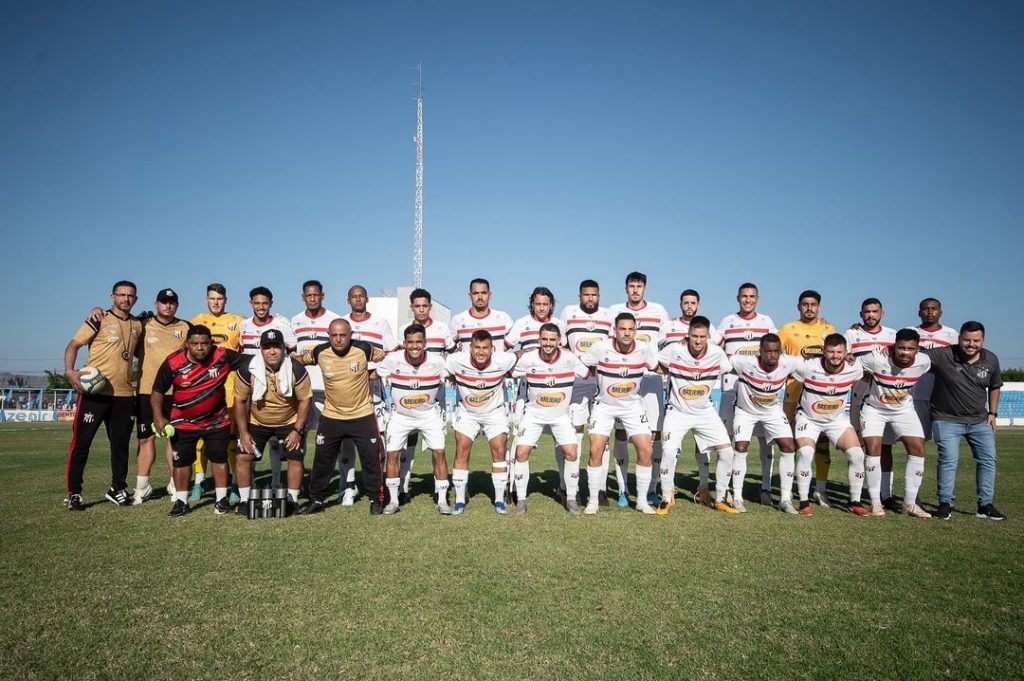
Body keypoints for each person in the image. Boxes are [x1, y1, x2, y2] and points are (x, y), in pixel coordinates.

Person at [151, 325, 248, 516]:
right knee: (181, 462)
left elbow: (251, 362)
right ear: (187, 344)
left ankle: (221, 501)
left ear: (211, 343)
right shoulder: (173, 362)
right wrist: (158, 417)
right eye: (195, 344)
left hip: (217, 420)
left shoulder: (222, 356)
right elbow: (157, 392)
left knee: (219, 458)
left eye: (205, 343)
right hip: (183, 422)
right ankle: (181, 501)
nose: (200, 348)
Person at [63, 281, 143, 510]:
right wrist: (70, 371)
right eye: (121, 295)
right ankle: (74, 493)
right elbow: (73, 345)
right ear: (112, 297)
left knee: (120, 446)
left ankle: (117, 488)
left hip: (124, 395)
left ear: (135, 300)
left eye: (130, 296)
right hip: (95, 394)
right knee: (81, 444)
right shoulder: (98, 318)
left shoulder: (138, 324)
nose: (126, 299)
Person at [298, 319, 389, 515]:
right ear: (328, 335)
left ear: (350, 335)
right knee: (322, 459)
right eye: (334, 335)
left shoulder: (364, 349)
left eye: (343, 335)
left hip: (362, 414)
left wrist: (370, 374)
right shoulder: (318, 352)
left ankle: (377, 499)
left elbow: (388, 360)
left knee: (372, 458)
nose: (338, 339)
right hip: (332, 415)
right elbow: (297, 360)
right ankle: (316, 500)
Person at [656, 316, 738, 515]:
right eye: (694, 336)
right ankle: (667, 498)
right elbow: (656, 361)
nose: (698, 341)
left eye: (702, 337)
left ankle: (720, 498)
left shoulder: (717, 354)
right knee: (668, 452)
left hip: (704, 412)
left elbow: (729, 368)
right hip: (677, 411)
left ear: (708, 336)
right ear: (688, 335)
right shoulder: (674, 350)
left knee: (727, 452)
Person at [581, 312, 661, 515]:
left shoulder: (644, 350)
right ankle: (593, 501)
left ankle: (642, 501)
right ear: (614, 330)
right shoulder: (600, 348)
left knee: (646, 449)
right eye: (622, 329)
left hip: (632, 405)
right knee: (595, 449)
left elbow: (657, 367)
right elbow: (583, 364)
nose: (626, 333)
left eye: (630, 329)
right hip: (604, 406)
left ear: (635, 330)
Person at [926, 321, 1005, 520]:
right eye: (966, 340)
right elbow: (913, 352)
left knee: (988, 461)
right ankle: (945, 504)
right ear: (959, 338)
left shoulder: (991, 359)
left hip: (980, 420)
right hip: (946, 419)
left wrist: (993, 413)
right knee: (948, 461)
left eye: (976, 340)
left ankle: (985, 505)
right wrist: (890, 348)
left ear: (983, 340)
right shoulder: (943, 354)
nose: (971, 344)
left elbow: (995, 386)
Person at [510, 323, 589, 515]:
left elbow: (587, 373)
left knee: (571, 452)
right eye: (544, 339)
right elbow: (509, 371)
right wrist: (520, 352)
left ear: (559, 341)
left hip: (560, 415)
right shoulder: (528, 359)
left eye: (552, 340)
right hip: (534, 414)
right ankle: (520, 499)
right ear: (539, 340)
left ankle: (570, 498)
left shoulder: (570, 359)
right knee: (521, 453)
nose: (548, 343)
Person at [233, 329, 313, 514]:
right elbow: (240, 401)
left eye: (276, 347)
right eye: (267, 347)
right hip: (258, 421)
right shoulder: (247, 369)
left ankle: (292, 500)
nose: (272, 351)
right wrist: (243, 433)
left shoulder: (296, 368)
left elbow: (305, 400)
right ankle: (245, 501)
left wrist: (297, 430)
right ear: (261, 349)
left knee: (295, 456)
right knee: (243, 456)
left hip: (288, 421)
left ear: (283, 348)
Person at [376, 323, 452, 515]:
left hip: (429, 415)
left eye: (419, 342)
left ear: (425, 343)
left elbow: (458, 375)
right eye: (410, 342)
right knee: (392, 455)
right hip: (401, 416)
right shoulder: (393, 360)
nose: (415, 346)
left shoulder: (437, 362)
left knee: (439, 453)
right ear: (404, 344)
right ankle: (393, 501)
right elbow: (372, 375)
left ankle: (443, 500)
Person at [856, 329, 933, 518]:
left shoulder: (924, 362)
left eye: (910, 348)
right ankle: (876, 503)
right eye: (901, 347)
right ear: (894, 346)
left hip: (903, 410)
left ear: (917, 349)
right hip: (874, 409)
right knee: (873, 449)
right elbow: (852, 361)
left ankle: (910, 504)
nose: (905, 352)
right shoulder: (876, 359)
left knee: (918, 448)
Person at [790, 334, 869, 516]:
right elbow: (784, 365)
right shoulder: (808, 367)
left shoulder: (854, 368)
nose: (835, 355)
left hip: (836, 420)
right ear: (823, 352)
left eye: (839, 352)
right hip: (808, 419)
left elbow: (875, 363)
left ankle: (855, 502)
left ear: (846, 352)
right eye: (831, 351)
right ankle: (803, 502)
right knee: (806, 452)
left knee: (857, 455)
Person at [608, 272, 669, 507]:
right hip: (623, 381)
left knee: (654, 436)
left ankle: (652, 489)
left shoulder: (658, 312)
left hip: (652, 381)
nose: (635, 290)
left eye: (639, 286)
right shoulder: (614, 311)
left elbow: (666, 342)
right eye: (632, 286)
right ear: (626, 288)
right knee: (622, 434)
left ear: (645, 288)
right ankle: (623, 489)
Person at [337, 284, 401, 505]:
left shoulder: (380, 323)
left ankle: (377, 484)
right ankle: (349, 485)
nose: (357, 300)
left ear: (366, 299)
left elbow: (393, 351)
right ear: (348, 300)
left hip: (373, 391)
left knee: (377, 441)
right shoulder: (340, 322)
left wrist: (376, 372)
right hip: (345, 391)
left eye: (361, 296)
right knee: (345, 440)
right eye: (353, 297)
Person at [658, 289, 722, 506]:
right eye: (685, 302)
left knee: (705, 448)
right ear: (680, 304)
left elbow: (724, 361)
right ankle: (668, 493)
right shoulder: (669, 327)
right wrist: (674, 372)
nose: (689, 306)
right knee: (669, 450)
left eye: (693, 302)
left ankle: (705, 489)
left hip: (703, 406)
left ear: (698, 305)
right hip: (677, 403)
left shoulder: (711, 334)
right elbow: (658, 360)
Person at [505, 287, 567, 504]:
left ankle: (564, 485)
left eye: (545, 304)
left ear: (551, 305)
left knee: (562, 440)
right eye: (538, 303)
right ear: (532, 304)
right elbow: (506, 351)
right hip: (526, 391)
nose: (541, 307)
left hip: (554, 390)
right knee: (519, 439)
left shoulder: (560, 325)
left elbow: (566, 354)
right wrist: (521, 353)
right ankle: (512, 486)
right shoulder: (521, 324)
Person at [717, 283, 777, 507]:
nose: (748, 300)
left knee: (765, 440)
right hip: (732, 388)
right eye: (744, 296)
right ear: (738, 298)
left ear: (757, 298)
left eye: (752, 296)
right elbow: (714, 346)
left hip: (760, 390)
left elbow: (775, 351)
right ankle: (727, 488)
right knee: (728, 440)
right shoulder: (727, 321)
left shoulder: (767, 322)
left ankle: (765, 488)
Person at [445, 330, 518, 515]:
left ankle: (500, 500)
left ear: (492, 349)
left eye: (485, 348)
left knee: (499, 449)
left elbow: (520, 355)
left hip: (494, 412)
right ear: (470, 348)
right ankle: (460, 499)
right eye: (477, 347)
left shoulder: (503, 360)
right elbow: (442, 369)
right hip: (468, 412)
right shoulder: (455, 361)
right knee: (461, 448)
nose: (481, 352)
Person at [728, 334, 801, 513]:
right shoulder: (745, 362)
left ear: (781, 352)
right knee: (741, 446)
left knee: (789, 446)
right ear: (760, 351)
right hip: (745, 411)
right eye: (768, 351)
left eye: (776, 351)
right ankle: (737, 496)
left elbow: (815, 367)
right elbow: (721, 360)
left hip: (772, 411)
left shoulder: (789, 363)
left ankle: (785, 498)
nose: (772, 355)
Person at [395, 288, 455, 504]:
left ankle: (440, 493)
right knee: (406, 444)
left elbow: (452, 354)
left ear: (430, 307)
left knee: (436, 446)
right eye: (417, 306)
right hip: (408, 395)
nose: (421, 309)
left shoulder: (442, 329)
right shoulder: (403, 330)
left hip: (434, 398)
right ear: (411, 307)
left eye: (424, 306)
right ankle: (402, 486)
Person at [778, 290, 836, 507]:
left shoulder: (828, 329)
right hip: (793, 394)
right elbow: (773, 352)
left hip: (821, 395)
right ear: (798, 307)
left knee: (822, 442)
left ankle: (820, 489)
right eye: (805, 304)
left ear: (819, 307)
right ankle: (791, 488)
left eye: (813, 304)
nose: (809, 308)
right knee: (790, 442)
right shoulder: (787, 329)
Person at [132, 288, 190, 504]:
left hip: (176, 392)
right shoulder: (143, 325)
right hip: (147, 392)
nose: (168, 306)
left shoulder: (185, 327)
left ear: (177, 305)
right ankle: (142, 487)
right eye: (164, 302)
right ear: (156, 304)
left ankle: (174, 484)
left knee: (174, 439)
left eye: (172, 302)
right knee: (146, 439)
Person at [560, 279, 614, 506]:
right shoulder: (568, 313)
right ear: (579, 296)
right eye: (586, 295)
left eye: (594, 295)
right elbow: (562, 345)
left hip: (603, 383)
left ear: (599, 296)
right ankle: (568, 488)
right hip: (577, 384)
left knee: (603, 437)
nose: (590, 298)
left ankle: (600, 488)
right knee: (574, 435)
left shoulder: (608, 316)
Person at [190, 283, 246, 503]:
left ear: (226, 300)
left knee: (232, 439)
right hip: (203, 388)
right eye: (212, 298)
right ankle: (199, 482)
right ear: (206, 299)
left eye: (219, 299)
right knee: (200, 439)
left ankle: (233, 483)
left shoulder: (238, 321)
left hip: (230, 388)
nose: (216, 302)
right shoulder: (195, 321)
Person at [288, 280, 341, 489]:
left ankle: (338, 483)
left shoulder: (333, 319)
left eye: (315, 295)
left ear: (322, 296)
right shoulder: (296, 320)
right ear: (303, 297)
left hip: (328, 388)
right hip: (304, 390)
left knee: (333, 436)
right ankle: (298, 483)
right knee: (299, 434)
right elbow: (292, 354)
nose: (312, 299)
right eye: (308, 295)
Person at [845, 298, 897, 506]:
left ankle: (886, 494)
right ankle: (857, 495)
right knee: (859, 448)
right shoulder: (851, 334)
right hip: (860, 396)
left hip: (885, 400)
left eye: (875, 311)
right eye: (867, 312)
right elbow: (843, 358)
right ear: (861, 314)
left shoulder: (893, 335)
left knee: (884, 447)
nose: (871, 315)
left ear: (882, 313)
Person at [450, 278, 514, 350]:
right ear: (469, 296)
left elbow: (515, 339)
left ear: (490, 295)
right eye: (475, 293)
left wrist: (500, 355)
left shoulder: (503, 318)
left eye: (484, 293)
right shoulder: (458, 320)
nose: (480, 297)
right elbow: (449, 345)